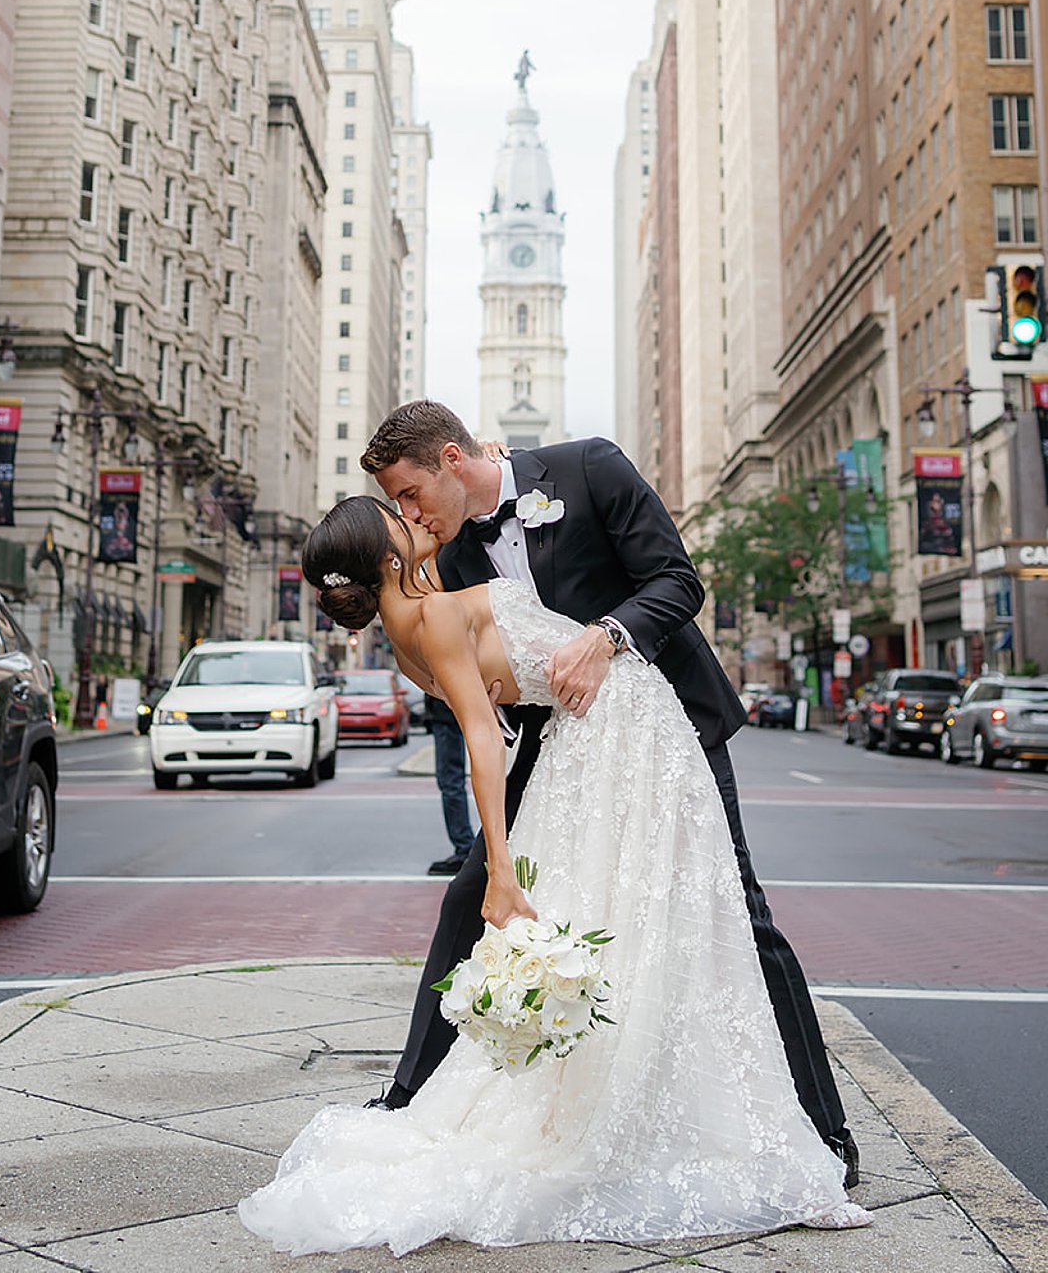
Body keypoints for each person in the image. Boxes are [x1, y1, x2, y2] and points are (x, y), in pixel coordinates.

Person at [237, 495, 868, 1251]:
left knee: (633, 923)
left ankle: (644, 1102)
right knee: (676, 919)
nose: (415, 517)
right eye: (401, 517)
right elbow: (483, 743)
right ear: (394, 559)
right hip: (623, 729)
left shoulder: (410, 632)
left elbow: (477, 657)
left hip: (596, 742)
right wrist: (499, 868)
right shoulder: (434, 617)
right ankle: (686, 1117)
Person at [357, 402, 857, 1185]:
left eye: (411, 493)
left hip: (670, 729)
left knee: (740, 911)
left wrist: (607, 633)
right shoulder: (450, 557)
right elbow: (492, 662)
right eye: (397, 504)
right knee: (472, 896)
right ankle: (408, 1098)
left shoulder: (589, 468)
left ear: (452, 459)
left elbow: (677, 581)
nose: (408, 512)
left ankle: (825, 1132)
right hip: (561, 745)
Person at [424, 691, 473, 874]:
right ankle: (470, 848)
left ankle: (465, 849)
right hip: (456, 708)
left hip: (448, 710)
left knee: (451, 782)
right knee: (453, 781)